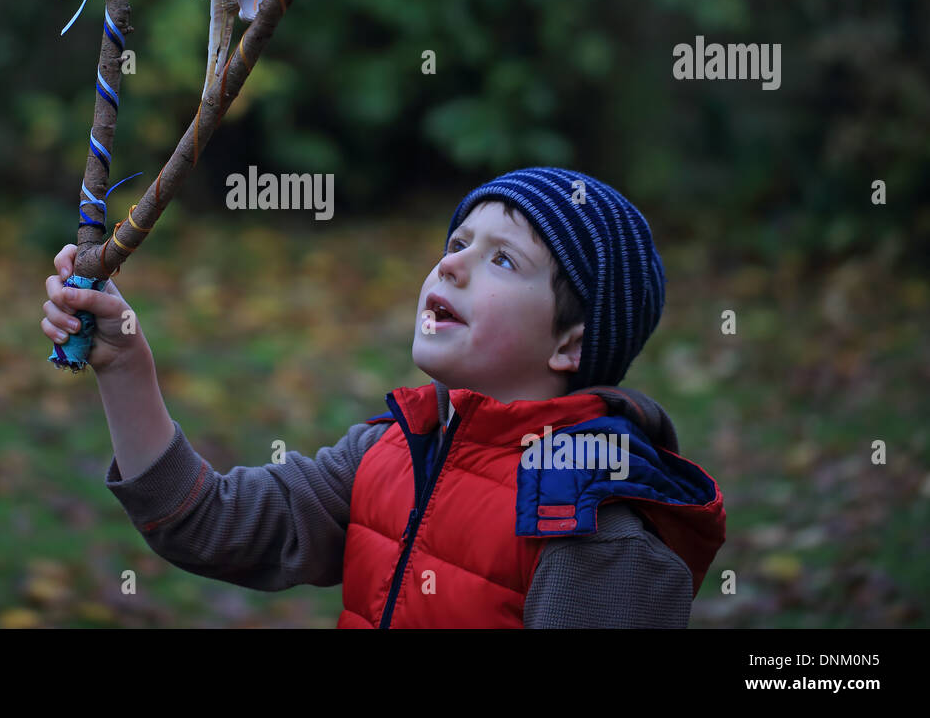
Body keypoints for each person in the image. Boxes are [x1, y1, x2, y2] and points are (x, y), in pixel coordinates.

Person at [41, 167, 726, 627]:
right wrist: (126, 369)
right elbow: (213, 526)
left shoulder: (594, 529)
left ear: (570, 346)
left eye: (503, 260)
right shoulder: (393, 451)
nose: (451, 264)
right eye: (458, 242)